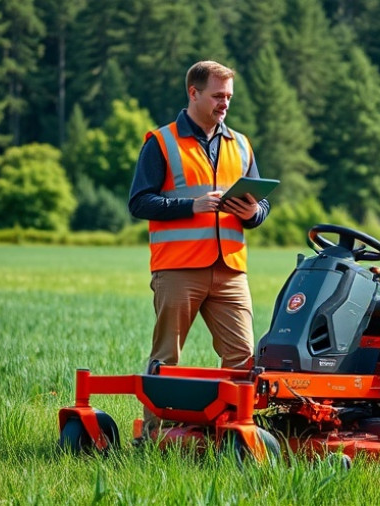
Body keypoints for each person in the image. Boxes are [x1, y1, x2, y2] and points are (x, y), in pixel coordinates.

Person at [128, 61, 270, 434]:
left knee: (243, 357)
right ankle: (155, 435)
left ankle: (236, 432)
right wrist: (191, 205)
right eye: (217, 96)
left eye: (229, 97)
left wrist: (254, 212)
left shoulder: (241, 144)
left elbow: (261, 204)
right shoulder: (161, 142)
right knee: (167, 357)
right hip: (178, 269)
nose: (225, 103)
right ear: (193, 93)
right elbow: (139, 202)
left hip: (231, 271)